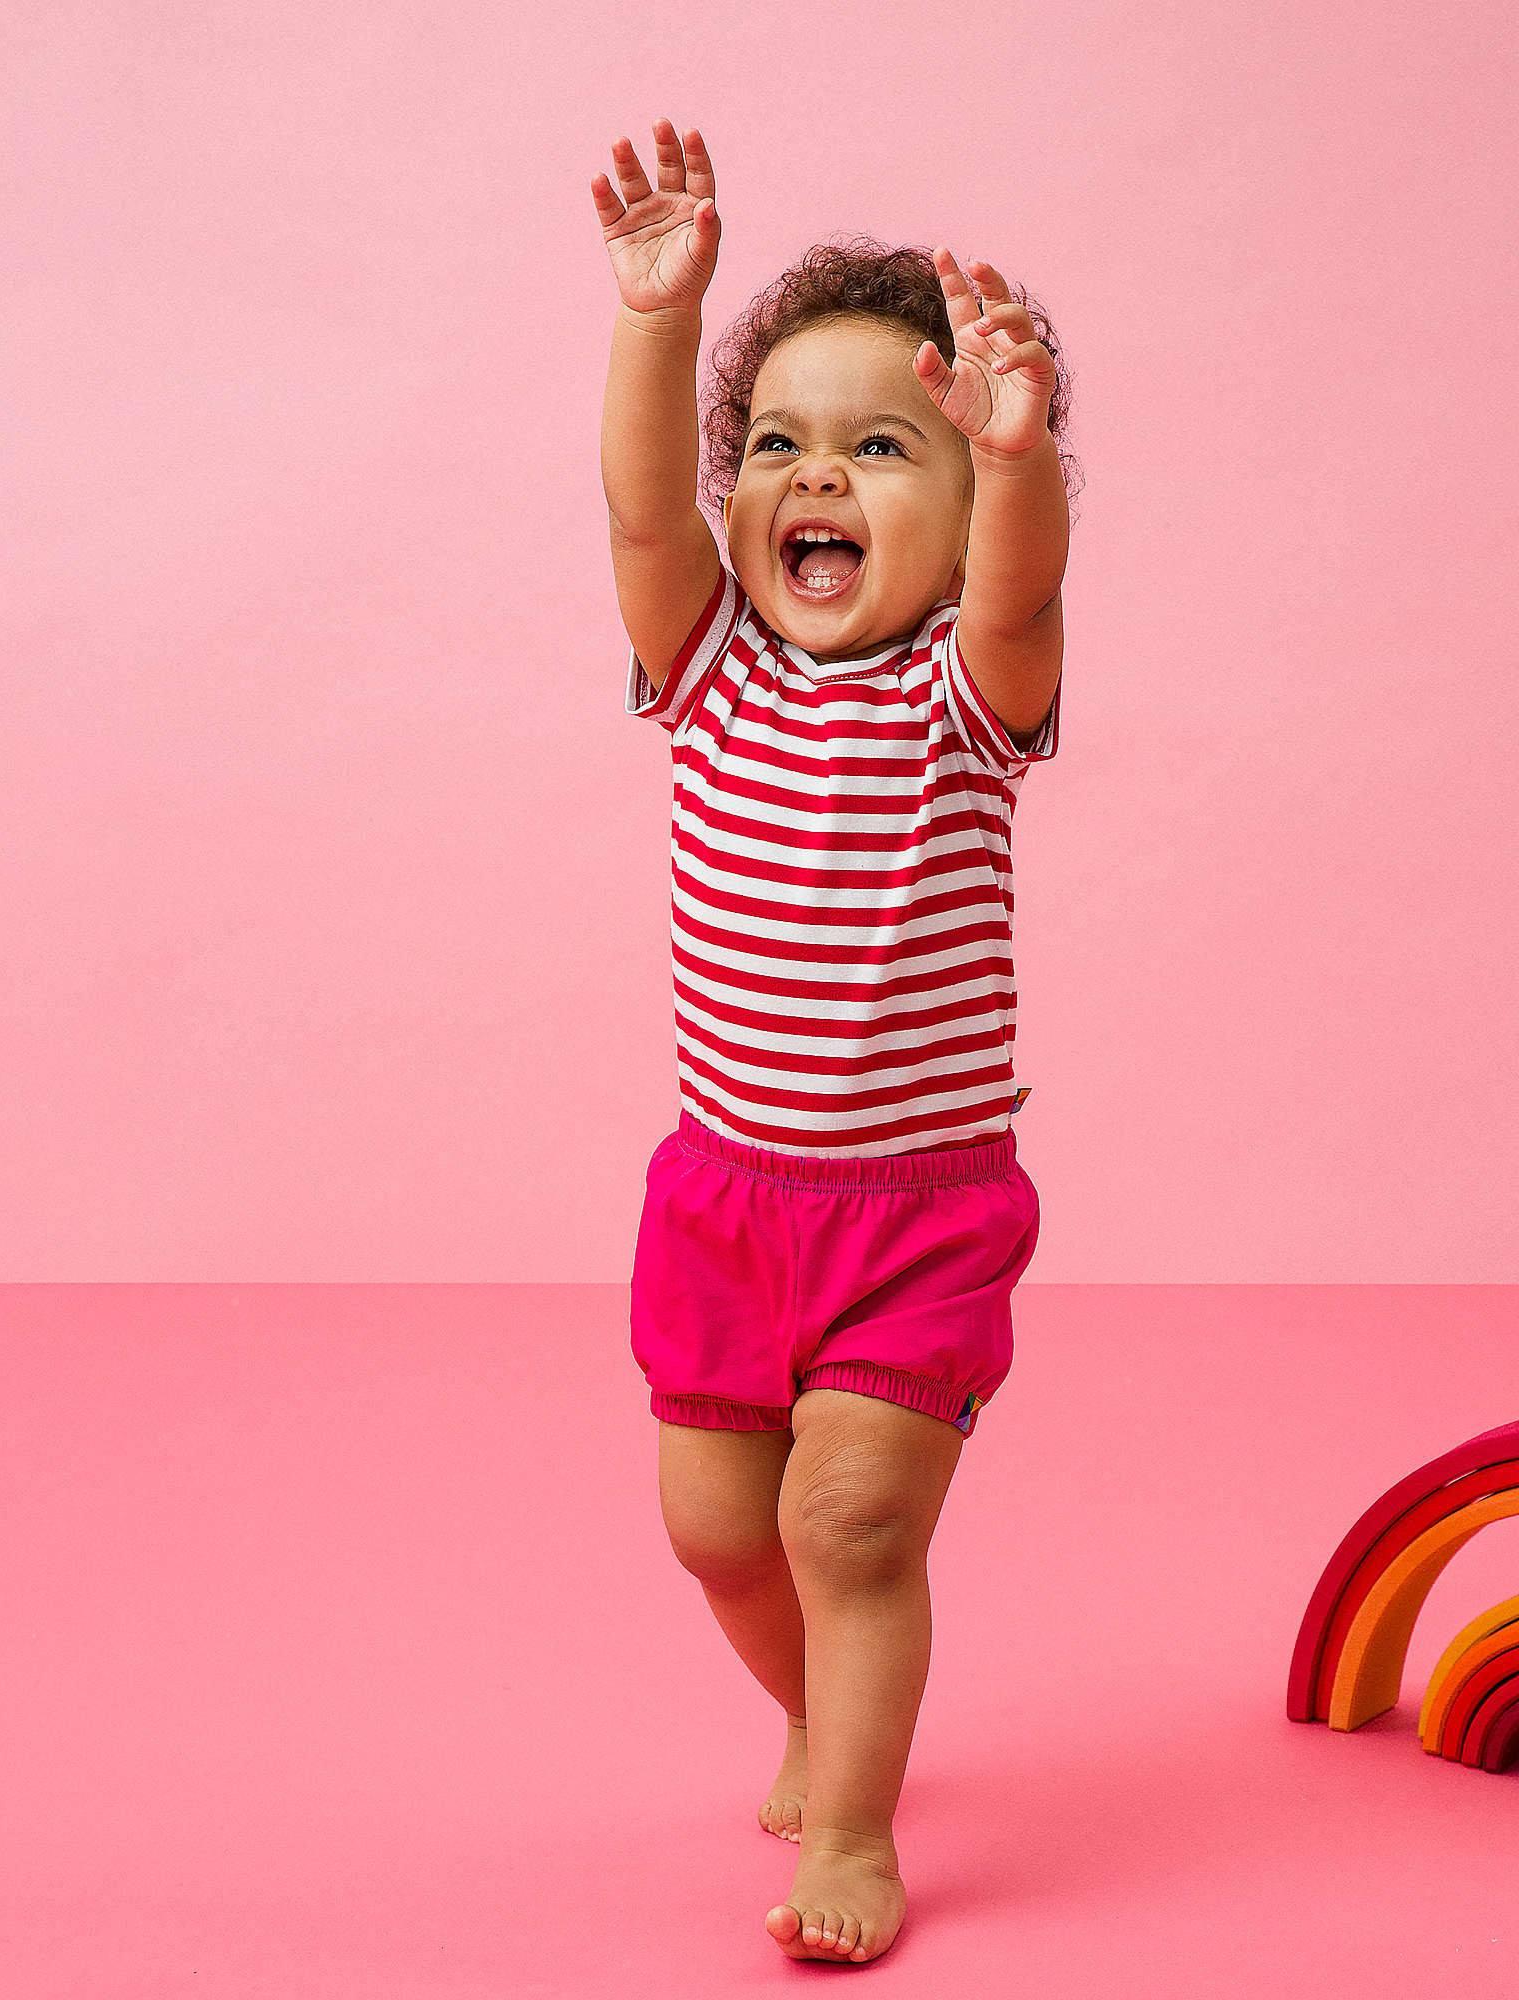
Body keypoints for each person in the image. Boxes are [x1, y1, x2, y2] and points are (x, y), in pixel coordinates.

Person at [592, 118, 1078, 1965]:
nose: (820, 479)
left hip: (918, 1215)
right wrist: (663, 320)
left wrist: (1025, 458)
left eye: (888, 448)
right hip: (724, 1199)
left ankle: (860, 1833)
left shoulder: (969, 692)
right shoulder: (707, 664)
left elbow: (1022, 589)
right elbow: (645, 507)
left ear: (957, 515)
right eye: (779, 447)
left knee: (855, 1519)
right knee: (721, 1526)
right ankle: (817, 1707)